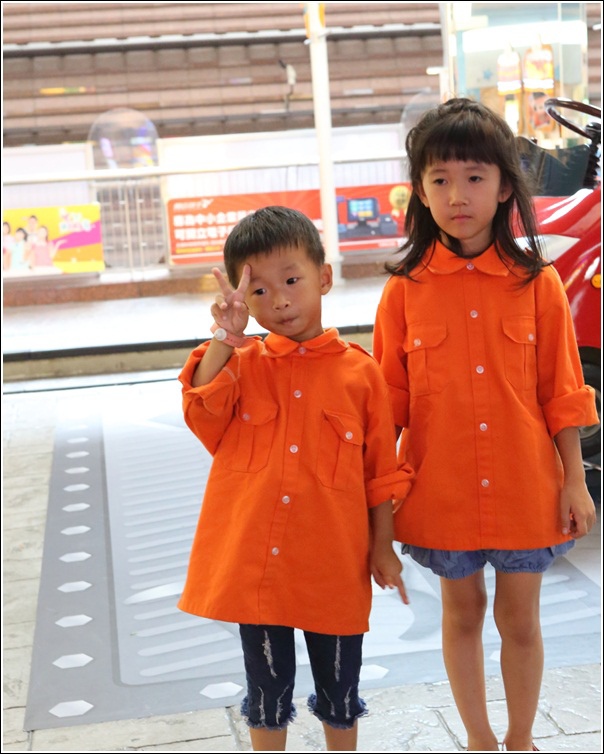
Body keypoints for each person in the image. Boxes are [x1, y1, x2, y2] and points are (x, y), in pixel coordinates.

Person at [372, 98, 598, 753]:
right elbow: (387, 405)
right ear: (420, 192)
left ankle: (521, 740)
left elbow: (563, 394)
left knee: (520, 619)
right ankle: (478, 739)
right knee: (462, 613)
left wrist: (575, 481)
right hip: (439, 490)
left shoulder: (538, 283)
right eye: (439, 179)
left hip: (526, 487)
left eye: (474, 177)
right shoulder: (404, 289)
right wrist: (376, 505)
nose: (457, 195)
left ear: (504, 187)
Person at [178, 206, 414, 752]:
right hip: (257, 570)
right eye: (258, 291)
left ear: (324, 277)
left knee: (341, 689)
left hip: (334, 566)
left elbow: (380, 473)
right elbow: (201, 409)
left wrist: (383, 548)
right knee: (266, 692)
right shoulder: (239, 362)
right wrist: (226, 336)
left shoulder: (362, 374)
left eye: (291, 280)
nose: (279, 301)